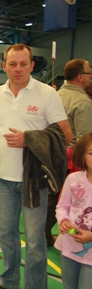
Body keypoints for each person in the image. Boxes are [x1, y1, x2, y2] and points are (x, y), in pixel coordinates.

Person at [0, 43, 72, 289]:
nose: (17, 69)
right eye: (12, 64)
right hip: (2, 180)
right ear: (4, 67)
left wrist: (29, 138)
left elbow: (66, 134)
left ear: (32, 65)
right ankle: (9, 281)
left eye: (23, 64)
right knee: (6, 237)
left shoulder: (46, 94)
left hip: (34, 181)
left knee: (35, 242)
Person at [46, 59, 92, 247]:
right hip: (72, 159)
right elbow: (86, 141)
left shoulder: (53, 95)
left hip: (50, 155)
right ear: (81, 77)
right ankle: (73, 237)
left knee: (52, 201)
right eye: (89, 74)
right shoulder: (82, 102)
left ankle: (45, 236)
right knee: (75, 202)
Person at [55, 132, 92, 289]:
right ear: (82, 155)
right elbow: (62, 206)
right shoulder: (73, 179)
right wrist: (63, 220)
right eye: (91, 153)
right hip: (69, 248)